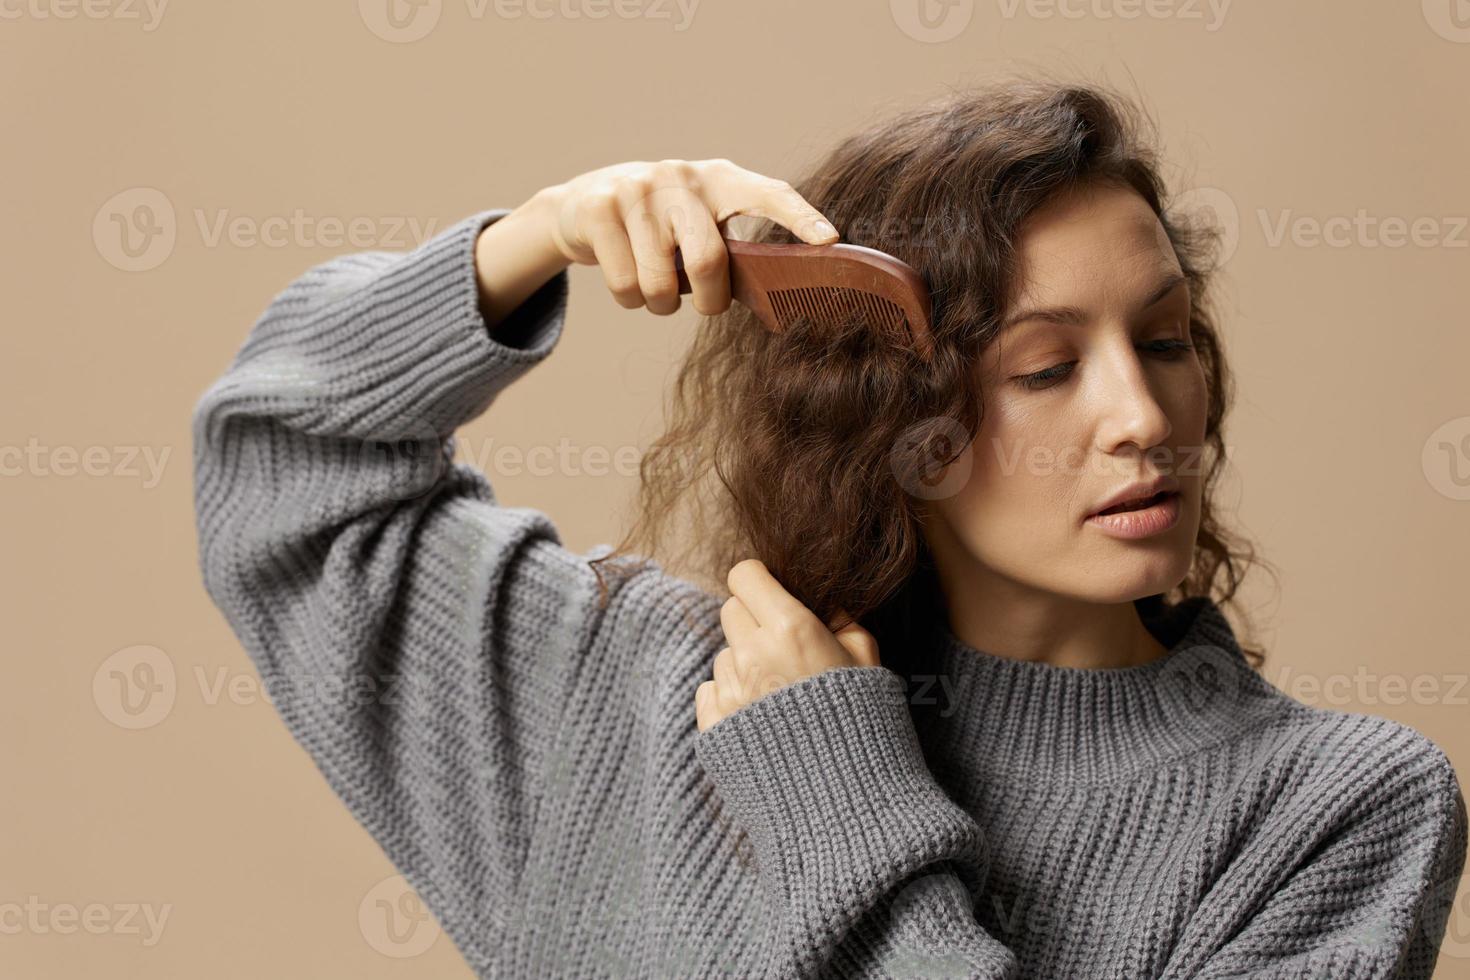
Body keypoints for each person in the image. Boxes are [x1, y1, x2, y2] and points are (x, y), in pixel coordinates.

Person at [191, 76, 1468, 978]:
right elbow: (285, 458)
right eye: (1044, 367)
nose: (1143, 416)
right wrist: (540, 234)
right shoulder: (630, 698)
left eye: (1167, 338)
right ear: (893, 415)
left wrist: (841, 798)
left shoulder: (1334, 811)